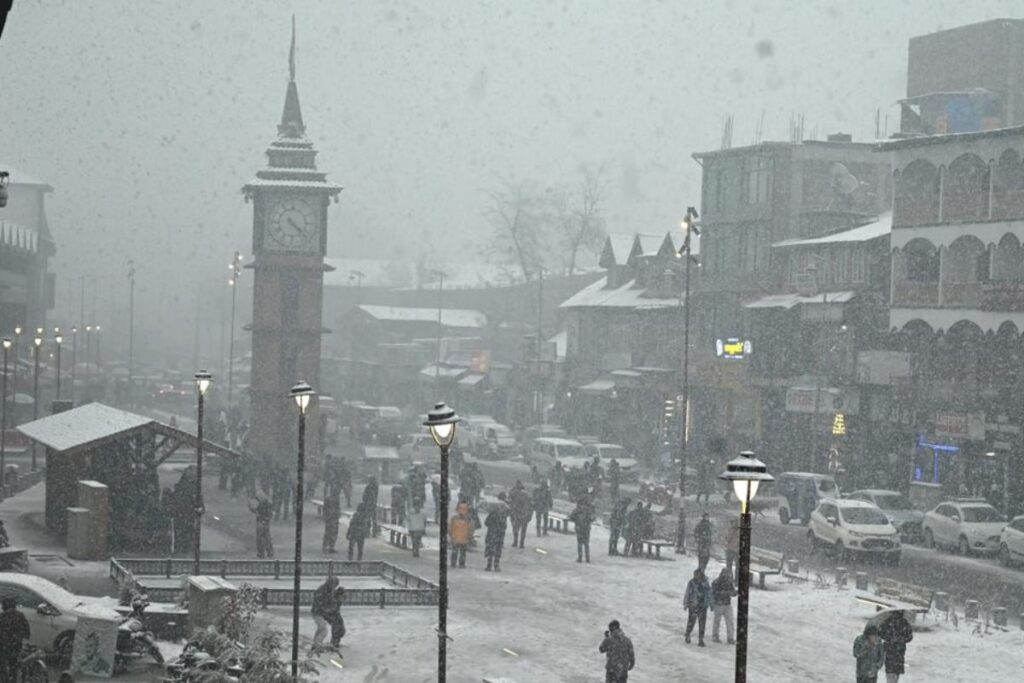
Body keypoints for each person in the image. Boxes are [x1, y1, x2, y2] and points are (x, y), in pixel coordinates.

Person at [0, 596, 29, 682]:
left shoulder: (2, 617)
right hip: (16, 645)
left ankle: (4, 679)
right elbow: (27, 631)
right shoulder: (20, 615)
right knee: (13, 665)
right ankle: (12, 679)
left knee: (2, 664)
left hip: (4, 646)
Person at [879, 611, 914, 683]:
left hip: (891, 649)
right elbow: (909, 637)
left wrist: (889, 638)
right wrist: (901, 640)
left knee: (891, 670)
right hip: (898, 650)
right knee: (895, 671)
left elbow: (880, 633)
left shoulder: (888, 621)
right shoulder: (904, 623)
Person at [311, 577, 340, 654]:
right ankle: (317, 646)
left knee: (320, 628)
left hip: (317, 611)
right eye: (334, 585)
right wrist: (326, 608)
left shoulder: (325, 589)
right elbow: (322, 601)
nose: (334, 587)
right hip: (318, 612)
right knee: (323, 630)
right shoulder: (324, 590)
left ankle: (315, 645)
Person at [684, 568, 711, 646]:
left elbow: (709, 593)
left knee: (702, 624)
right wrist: (686, 603)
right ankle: (688, 634)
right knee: (691, 622)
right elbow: (687, 593)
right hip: (693, 605)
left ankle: (701, 639)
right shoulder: (691, 583)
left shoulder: (705, 583)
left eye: (697, 574)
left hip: (703, 606)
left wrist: (710, 604)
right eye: (695, 574)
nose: (696, 576)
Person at [484, 492, 509, 572]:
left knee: (491, 548)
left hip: (491, 533)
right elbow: (504, 525)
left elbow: (486, 522)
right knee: (498, 549)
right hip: (500, 534)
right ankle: (496, 565)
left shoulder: (492, 512)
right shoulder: (504, 512)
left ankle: (489, 565)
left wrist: (492, 526)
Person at [711, 567, 736, 644]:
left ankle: (730, 637)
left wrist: (734, 593)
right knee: (717, 621)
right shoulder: (716, 582)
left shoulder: (729, 582)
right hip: (718, 604)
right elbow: (714, 593)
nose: (726, 576)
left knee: (730, 621)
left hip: (727, 604)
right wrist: (727, 593)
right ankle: (715, 635)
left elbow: (732, 592)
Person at [248, 493, 274, 559]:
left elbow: (257, 512)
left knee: (260, 539)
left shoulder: (262, 505)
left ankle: (261, 553)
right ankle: (269, 552)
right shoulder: (268, 504)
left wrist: (250, 507)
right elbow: (269, 515)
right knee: (267, 538)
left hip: (261, 523)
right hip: (266, 523)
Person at [449, 500, 474, 568]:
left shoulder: (454, 518)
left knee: (454, 551)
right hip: (464, 538)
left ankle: (453, 563)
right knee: (463, 552)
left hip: (455, 538)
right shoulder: (468, 519)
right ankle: (461, 564)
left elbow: (450, 528)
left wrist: (451, 536)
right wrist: (470, 536)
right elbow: (471, 529)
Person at [570, 496, 595, 563]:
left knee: (580, 543)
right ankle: (587, 558)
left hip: (579, 527)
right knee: (586, 543)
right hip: (586, 528)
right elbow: (592, 518)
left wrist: (576, 520)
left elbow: (571, 517)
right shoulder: (589, 510)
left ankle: (580, 558)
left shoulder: (577, 510)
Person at [508, 481, 533, 549]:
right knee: (523, 529)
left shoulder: (514, 493)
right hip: (524, 514)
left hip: (516, 514)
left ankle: (515, 541)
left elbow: (510, 501)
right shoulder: (527, 495)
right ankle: (521, 543)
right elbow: (530, 506)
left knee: (515, 528)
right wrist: (529, 515)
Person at [322, 479, 342, 554]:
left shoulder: (333, 499)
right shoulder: (330, 499)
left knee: (331, 532)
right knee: (330, 532)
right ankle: (328, 546)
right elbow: (326, 508)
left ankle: (329, 546)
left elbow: (337, 508)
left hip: (332, 517)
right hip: (331, 518)